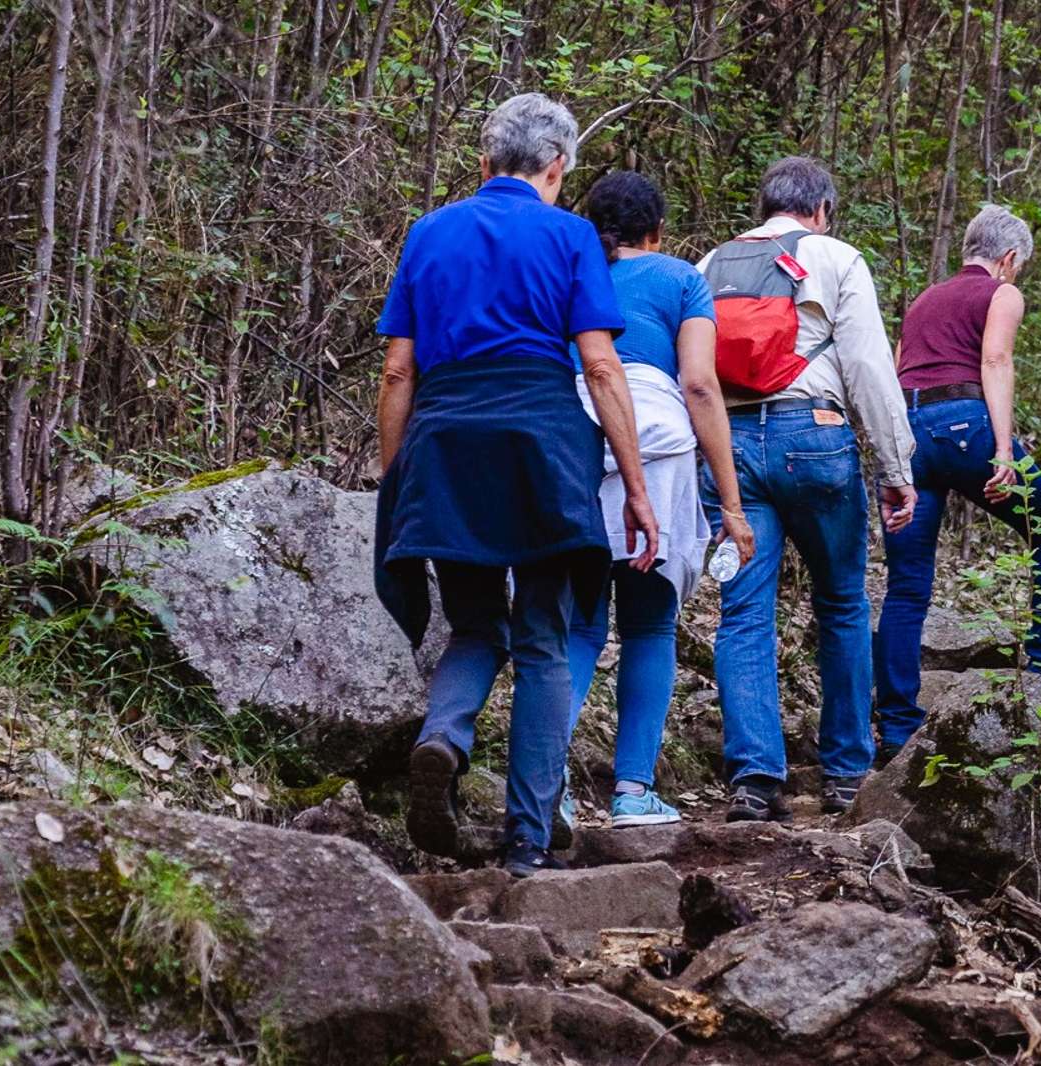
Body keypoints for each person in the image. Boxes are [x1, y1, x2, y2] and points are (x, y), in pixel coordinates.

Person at [373, 93, 658, 878]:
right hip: (542, 447)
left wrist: (398, 475)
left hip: (445, 442)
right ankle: (528, 843)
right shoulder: (570, 235)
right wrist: (635, 487)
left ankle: (444, 737)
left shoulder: (429, 233)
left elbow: (399, 368)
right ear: (557, 166)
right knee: (540, 640)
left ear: (484, 160)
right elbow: (599, 364)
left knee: (474, 628)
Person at [696, 156, 916, 822]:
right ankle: (847, 773)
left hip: (729, 445)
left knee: (744, 613)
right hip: (813, 435)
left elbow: (695, 372)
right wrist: (897, 468)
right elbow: (870, 369)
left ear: (765, 205)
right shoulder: (837, 258)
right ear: (822, 208)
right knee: (844, 602)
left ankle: (754, 780)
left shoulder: (710, 263)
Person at [562, 170, 755, 828]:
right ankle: (632, 792)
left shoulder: (570, 271)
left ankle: (543, 785)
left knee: (578, 625)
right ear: (659, 230)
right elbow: (700, 385)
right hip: (662, 452)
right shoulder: (681, 280)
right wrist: (729, 502)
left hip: (580, 444)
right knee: (648, 624)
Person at [871, 205, 1041, 764]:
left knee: (907, 585)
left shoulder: (921, 301)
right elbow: (995, 359)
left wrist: (891, 457)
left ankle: (896, 726)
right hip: (966, 427)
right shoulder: (1001, 294)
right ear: (1008, 260)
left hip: (908, 436)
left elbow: (894, 375)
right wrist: (1004, 451)